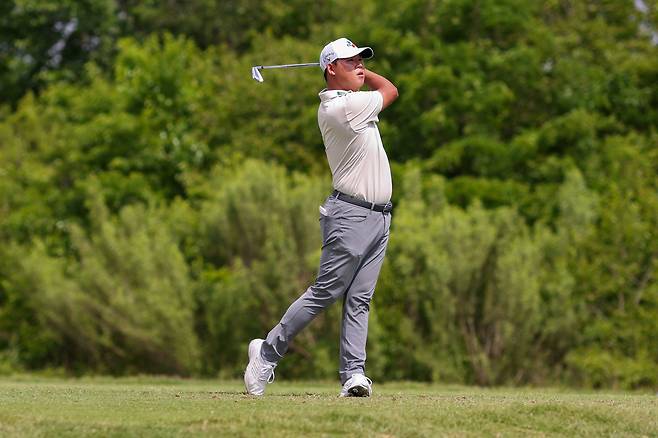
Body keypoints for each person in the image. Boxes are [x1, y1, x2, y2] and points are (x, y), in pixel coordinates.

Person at [244, 37, 398, 397]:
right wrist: (364, 75)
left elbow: (379, 87)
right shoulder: (341, 108)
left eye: (362, 60)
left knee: (360, 298)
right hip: (351, 216)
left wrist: (353, 70)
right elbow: (390, 89)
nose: (360, 65)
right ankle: (266, 353)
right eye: (351, 61)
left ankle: (353, 375)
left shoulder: (352, 101)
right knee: (325, 292)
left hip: (379, 218)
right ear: (330, 69)